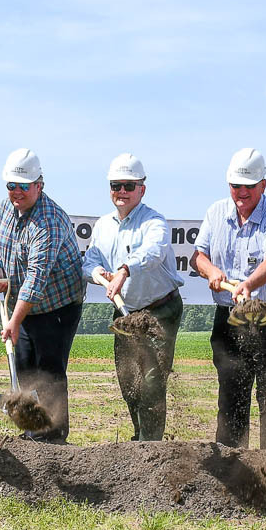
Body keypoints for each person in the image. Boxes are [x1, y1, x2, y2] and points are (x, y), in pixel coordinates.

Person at [189, 148, 266, 450]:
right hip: (230, 316)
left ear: (263, 185)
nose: (242, 192)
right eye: (236, 186)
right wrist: (210, 270)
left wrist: (248, 284)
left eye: (249, 186)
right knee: (231, 392)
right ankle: (232, 464)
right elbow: (198, 256)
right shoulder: (215, 213)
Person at [0, 148, 87, 443]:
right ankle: (32, 431)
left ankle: (53, 437)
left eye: (23, 186)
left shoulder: (48, 222)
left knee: (48, 370)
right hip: (22, 306)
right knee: (24, 367)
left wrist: (13, 323)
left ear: (39, 184)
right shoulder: (5, 209)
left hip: (57, 306)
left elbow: (35, 281)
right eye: (11, 186)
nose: (16, 192)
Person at [81, 153, 184, 441]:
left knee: (151, 380)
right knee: (128, 379)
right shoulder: (103, 225)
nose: (122, 192)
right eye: (116, 185)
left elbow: (152, 253)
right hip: (125, 312)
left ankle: (150, 445)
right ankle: (139, 437)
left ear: (142, 189)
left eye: (128, 185)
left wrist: (125, 270)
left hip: (159, 310)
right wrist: (99, 272)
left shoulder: (154, 222)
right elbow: (89, 262)